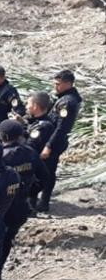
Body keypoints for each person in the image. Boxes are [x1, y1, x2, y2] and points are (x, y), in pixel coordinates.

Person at [0, 119, 47, 280]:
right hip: (20, 206)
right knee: (6, 241)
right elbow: (45, 177)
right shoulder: (31, 153)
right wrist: (31, 192)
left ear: (2, 136)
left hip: (0, 208)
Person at [36, 70, 82, 213]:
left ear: (68, 84)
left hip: (55, 142)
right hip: (51, 139)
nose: (55, 86)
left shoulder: (67, 102)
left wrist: (48, 146)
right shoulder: (64, 98)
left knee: (48, 172)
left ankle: (43, 202)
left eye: (58, 84)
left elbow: (62, 128)